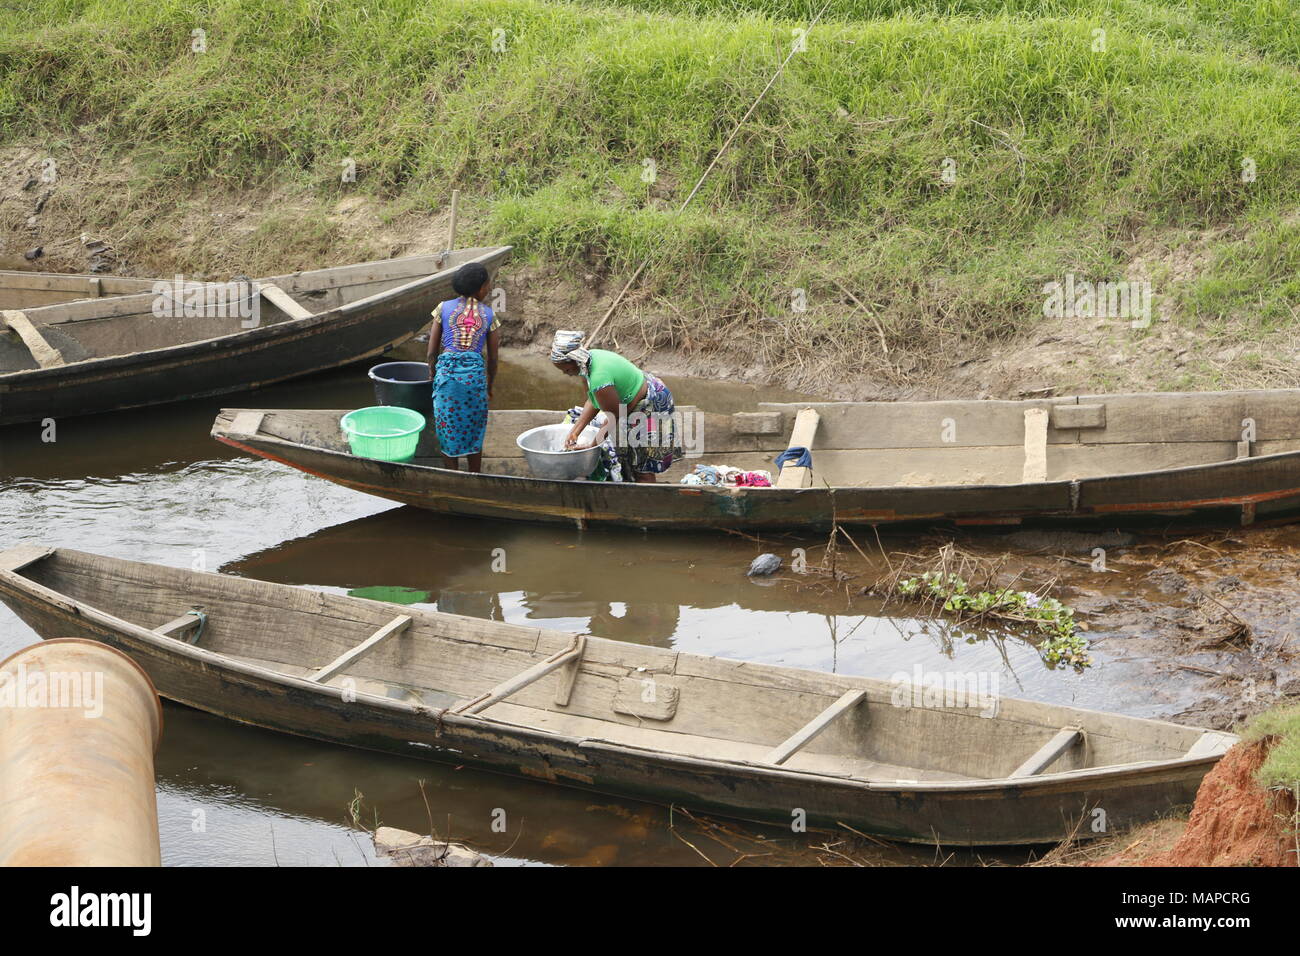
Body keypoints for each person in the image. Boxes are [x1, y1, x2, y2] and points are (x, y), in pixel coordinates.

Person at [550, 329, 681, 483]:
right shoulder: (587, 362)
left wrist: (591, 447)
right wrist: (575, 431)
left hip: (651, 404)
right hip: (632, 404)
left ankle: (648, 502)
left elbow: (614, 417)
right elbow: (593, 400)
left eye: (566, 370)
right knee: (634, 460)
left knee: (642, 467)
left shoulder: (599, 378)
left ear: (574, 360)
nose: (566, 374)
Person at [428, 262, 499, 472]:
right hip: (473, 380)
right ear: (480, 289)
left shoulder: (443, 308)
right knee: (474, 428)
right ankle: (474, 475)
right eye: (487, 286)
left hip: (447, 378)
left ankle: (452, 475)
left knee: (447, 429)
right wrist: (489, 387)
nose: (488, 289)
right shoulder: (489, 315)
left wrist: (433, 376)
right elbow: (494, 359)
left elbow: (432, 352)